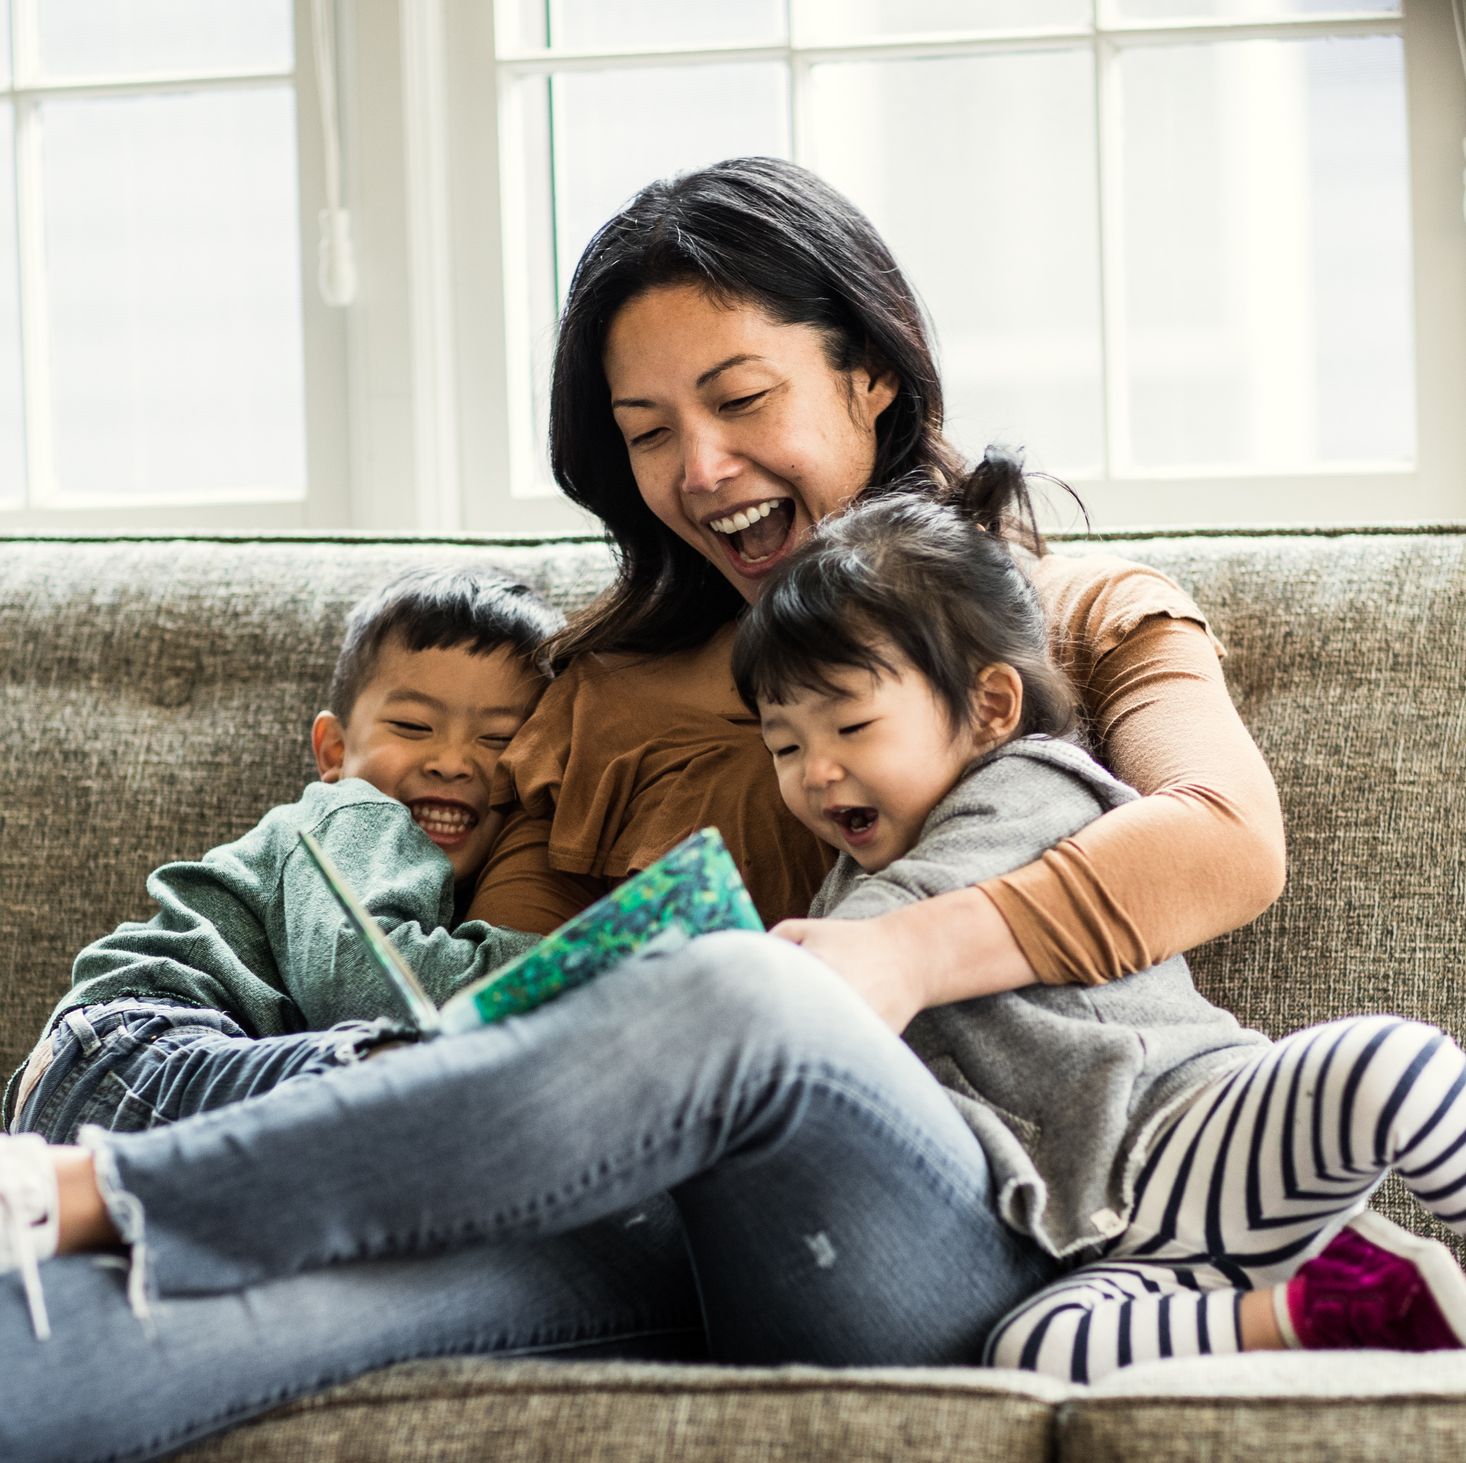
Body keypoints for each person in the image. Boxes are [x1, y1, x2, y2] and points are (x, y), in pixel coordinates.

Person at [0, 156, 1283, 1459]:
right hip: (623, 1222)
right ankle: (84, 1224)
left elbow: (1226, 836)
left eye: (738, 399)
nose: (701, 467)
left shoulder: (1069, 613)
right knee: (187, 1309)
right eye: (648, 428)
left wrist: (895, 950)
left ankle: (110, 1182)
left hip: (964, 1226)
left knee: (744, 989)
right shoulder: (594, 688)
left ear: (871, 372)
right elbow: (489, 1014)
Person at [728, 452, 1466, 1384]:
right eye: (784, 745)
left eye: (850, 727)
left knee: (1389, 1067)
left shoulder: (1026, 788)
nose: (814, 772)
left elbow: (899, 918)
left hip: (1198, 1131)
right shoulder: (845, 901)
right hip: (1108, 1240)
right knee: (1026, 1345)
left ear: (990, 706)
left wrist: (760, 981)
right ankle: (1332, 1308)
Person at [7, 566, 562, 1160]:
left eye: (499, 739)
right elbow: (362, 981)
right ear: (335, 751)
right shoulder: (354, 812)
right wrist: (573, 959)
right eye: (413, 727)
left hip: (121, 1080)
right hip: (136, 1049)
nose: (453, 762)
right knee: (396, 1084)